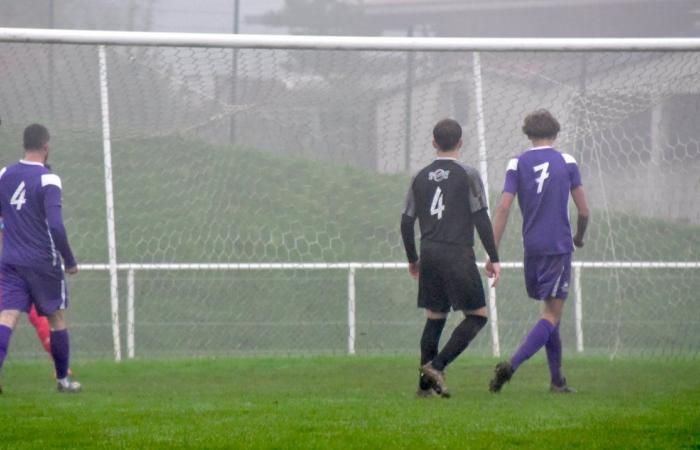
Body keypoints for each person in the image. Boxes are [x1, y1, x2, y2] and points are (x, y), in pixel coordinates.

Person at [488, 109, 589, 394]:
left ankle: (557, 381)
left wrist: (492, 251)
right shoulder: (566, 161)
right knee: (551, 315)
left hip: (531, 248)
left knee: (549, 312)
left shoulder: (517, 162)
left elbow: (504, 207)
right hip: (558, 247)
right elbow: (584, 210)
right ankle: (511, 366)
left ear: (528, 134)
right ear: (555, 134)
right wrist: (579, 237)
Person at [401, 118, 501, 398]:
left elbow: (406, 222)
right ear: (460, 143)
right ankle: (437, 366)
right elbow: (480, 216)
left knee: (435, 318)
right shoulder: (468, 174)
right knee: (477, 316)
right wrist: (493, 257)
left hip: (430, 252)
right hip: (457, 252)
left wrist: (413, 258)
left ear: (434, 143)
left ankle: (423, 389)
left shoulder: (419, 177)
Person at [0, 123, 81, 393]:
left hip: (10, 260)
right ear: (46, 147)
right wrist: (69, 260)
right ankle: (63, 380)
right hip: (43, 262)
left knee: (7, 317)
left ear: (24, 144)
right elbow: (56, 226)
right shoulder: (48, 179)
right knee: (57, 318)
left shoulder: (4, 175)